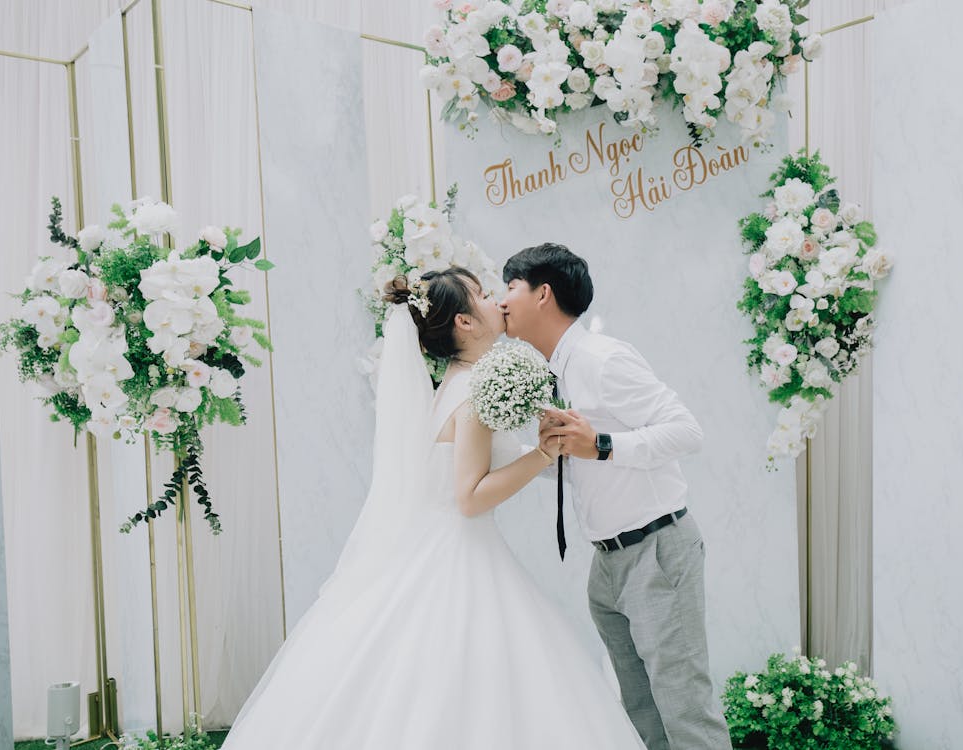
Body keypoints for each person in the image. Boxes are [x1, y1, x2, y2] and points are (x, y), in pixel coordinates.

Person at [220, 266, 645, 749]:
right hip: (460, 556)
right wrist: (544, 453)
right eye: (483, 295)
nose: (496, 301)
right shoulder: (476, 392)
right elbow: (469, 498)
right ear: (464, 323)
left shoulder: (454, 384)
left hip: (442, 549)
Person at [500, 244, 734, 750]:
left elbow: (686, 431)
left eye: (510, 287)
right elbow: (578, 463)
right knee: (640, 711)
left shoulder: (602, 359)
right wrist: (522, 455)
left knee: (685, 709)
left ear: (542, 294)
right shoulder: (553, 369)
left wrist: (602, 445)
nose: (502, 301)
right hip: (606, 564)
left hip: (656, 552)